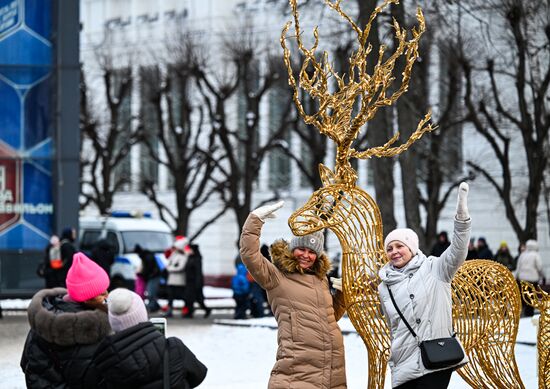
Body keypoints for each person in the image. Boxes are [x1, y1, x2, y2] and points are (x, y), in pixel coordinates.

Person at [239, 200, 347, 388]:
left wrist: (342, 296)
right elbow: (250, 256)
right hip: (298, 368)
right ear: (292, 249)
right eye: (301, 249)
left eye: (312, 252)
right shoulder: (276, 276)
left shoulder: (320, 279)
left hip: (332, 365)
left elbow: (329, 318)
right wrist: (254, 220)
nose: (306, 255)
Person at [377, 182, 471, 389]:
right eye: (389, 248)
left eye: (400, 246)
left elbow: (458, 250)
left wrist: (462, 221)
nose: (394, 251)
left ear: (411, 248)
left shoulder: (435, 268)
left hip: (435, 359)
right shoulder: (384, 285)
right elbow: (393, 327)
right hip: (403, 363)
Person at [20, 252, 111, 388]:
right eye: (102, 293)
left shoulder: (42, 320)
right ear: (89, 297)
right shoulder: (95, 325)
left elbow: (28, 366)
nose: (107, 297)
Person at [93, 288, 208, 388]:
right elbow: (198, 375)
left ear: (113, 321)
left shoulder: (105, 359)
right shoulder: (173, 348)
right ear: (142, 314)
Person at [515, 239, 545, 317]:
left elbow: (518, 267)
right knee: (531, 297)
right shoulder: (536, 255)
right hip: (532, 280)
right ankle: (529, 314)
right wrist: (543, 276)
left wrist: (516, 277)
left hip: (522, 280)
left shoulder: (522, 254)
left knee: (524, 296)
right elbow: (540, 267)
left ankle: (523, 312)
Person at [185, 244, 211, 318]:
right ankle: (189, 312)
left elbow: (198, 272)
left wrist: (198, 283)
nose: (188, 251)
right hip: (189, 282)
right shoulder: (190, 258)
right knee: (189, 298)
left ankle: (206, 309)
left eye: (189, 249)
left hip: (195, 282)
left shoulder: (197, 259)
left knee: (198, 299)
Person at [164, 238, 189, 318]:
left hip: (179, 280)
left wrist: (170, 269)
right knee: (170, 296)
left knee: (181, 295)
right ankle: (169, 311)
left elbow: (181, 267)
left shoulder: (183, 256)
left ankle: (186, 309)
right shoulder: (174, 254)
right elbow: (168, 262)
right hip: (171, 279)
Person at [136, 244, 162, 312]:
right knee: (151, 292)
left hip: (153, 276)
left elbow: (148, 269)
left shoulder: (147, 258)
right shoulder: (148, 256)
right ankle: (154, 306)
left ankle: (152, 306)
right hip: (153, 276)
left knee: (151, 292)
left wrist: (144, 275)